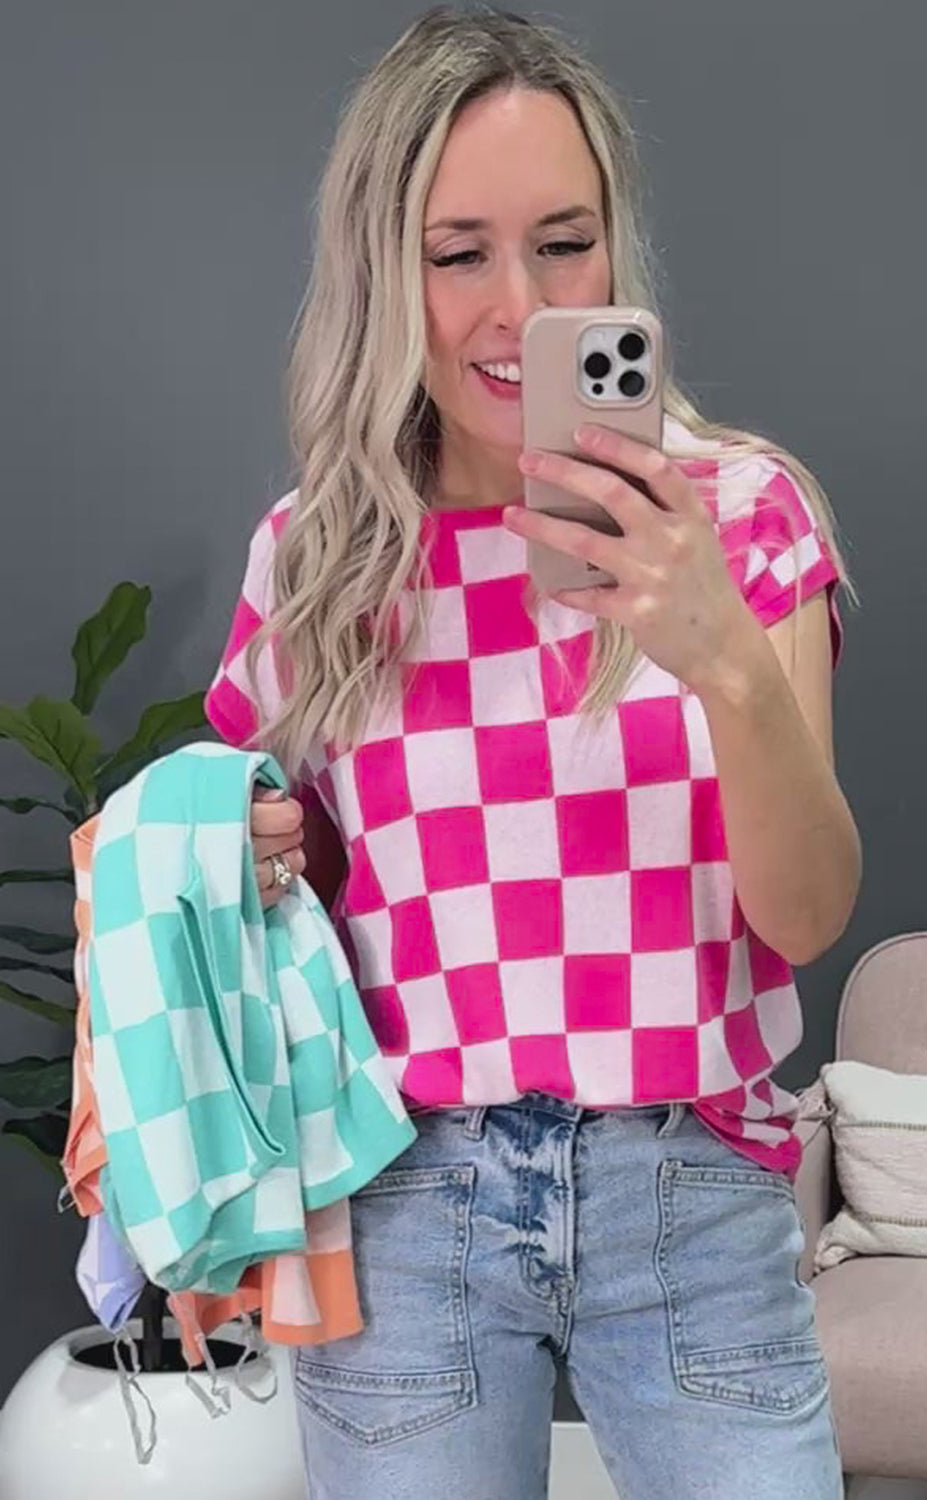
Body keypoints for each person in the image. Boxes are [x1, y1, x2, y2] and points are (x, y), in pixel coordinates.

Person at [205, 7, 862, 1497]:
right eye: (459, 254)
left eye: (564, 244)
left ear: (615, 248)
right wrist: (254, 846)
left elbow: (810, 916)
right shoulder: (313, 560)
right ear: (383, 272)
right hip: (403, 1196)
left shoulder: (742, 516)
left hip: (690, 1191)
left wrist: (720, 659)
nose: (520, 305)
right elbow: (289, 888)